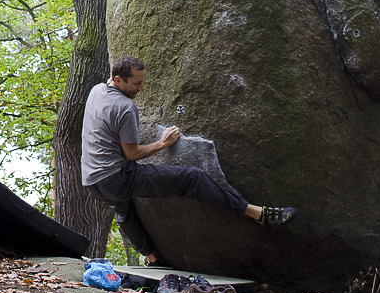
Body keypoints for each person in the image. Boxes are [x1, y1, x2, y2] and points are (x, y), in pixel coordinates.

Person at [81, 55, 296, 267]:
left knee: (123, 209)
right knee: (192, 178)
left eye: (143, 81)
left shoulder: (95, 91)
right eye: (137, 83)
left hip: (92, 182)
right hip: (116, 177)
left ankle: (153, 258)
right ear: (118, 80)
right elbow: (131, 154)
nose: (142, 88)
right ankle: (255, 212)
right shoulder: (126, 108)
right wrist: (163, 143)